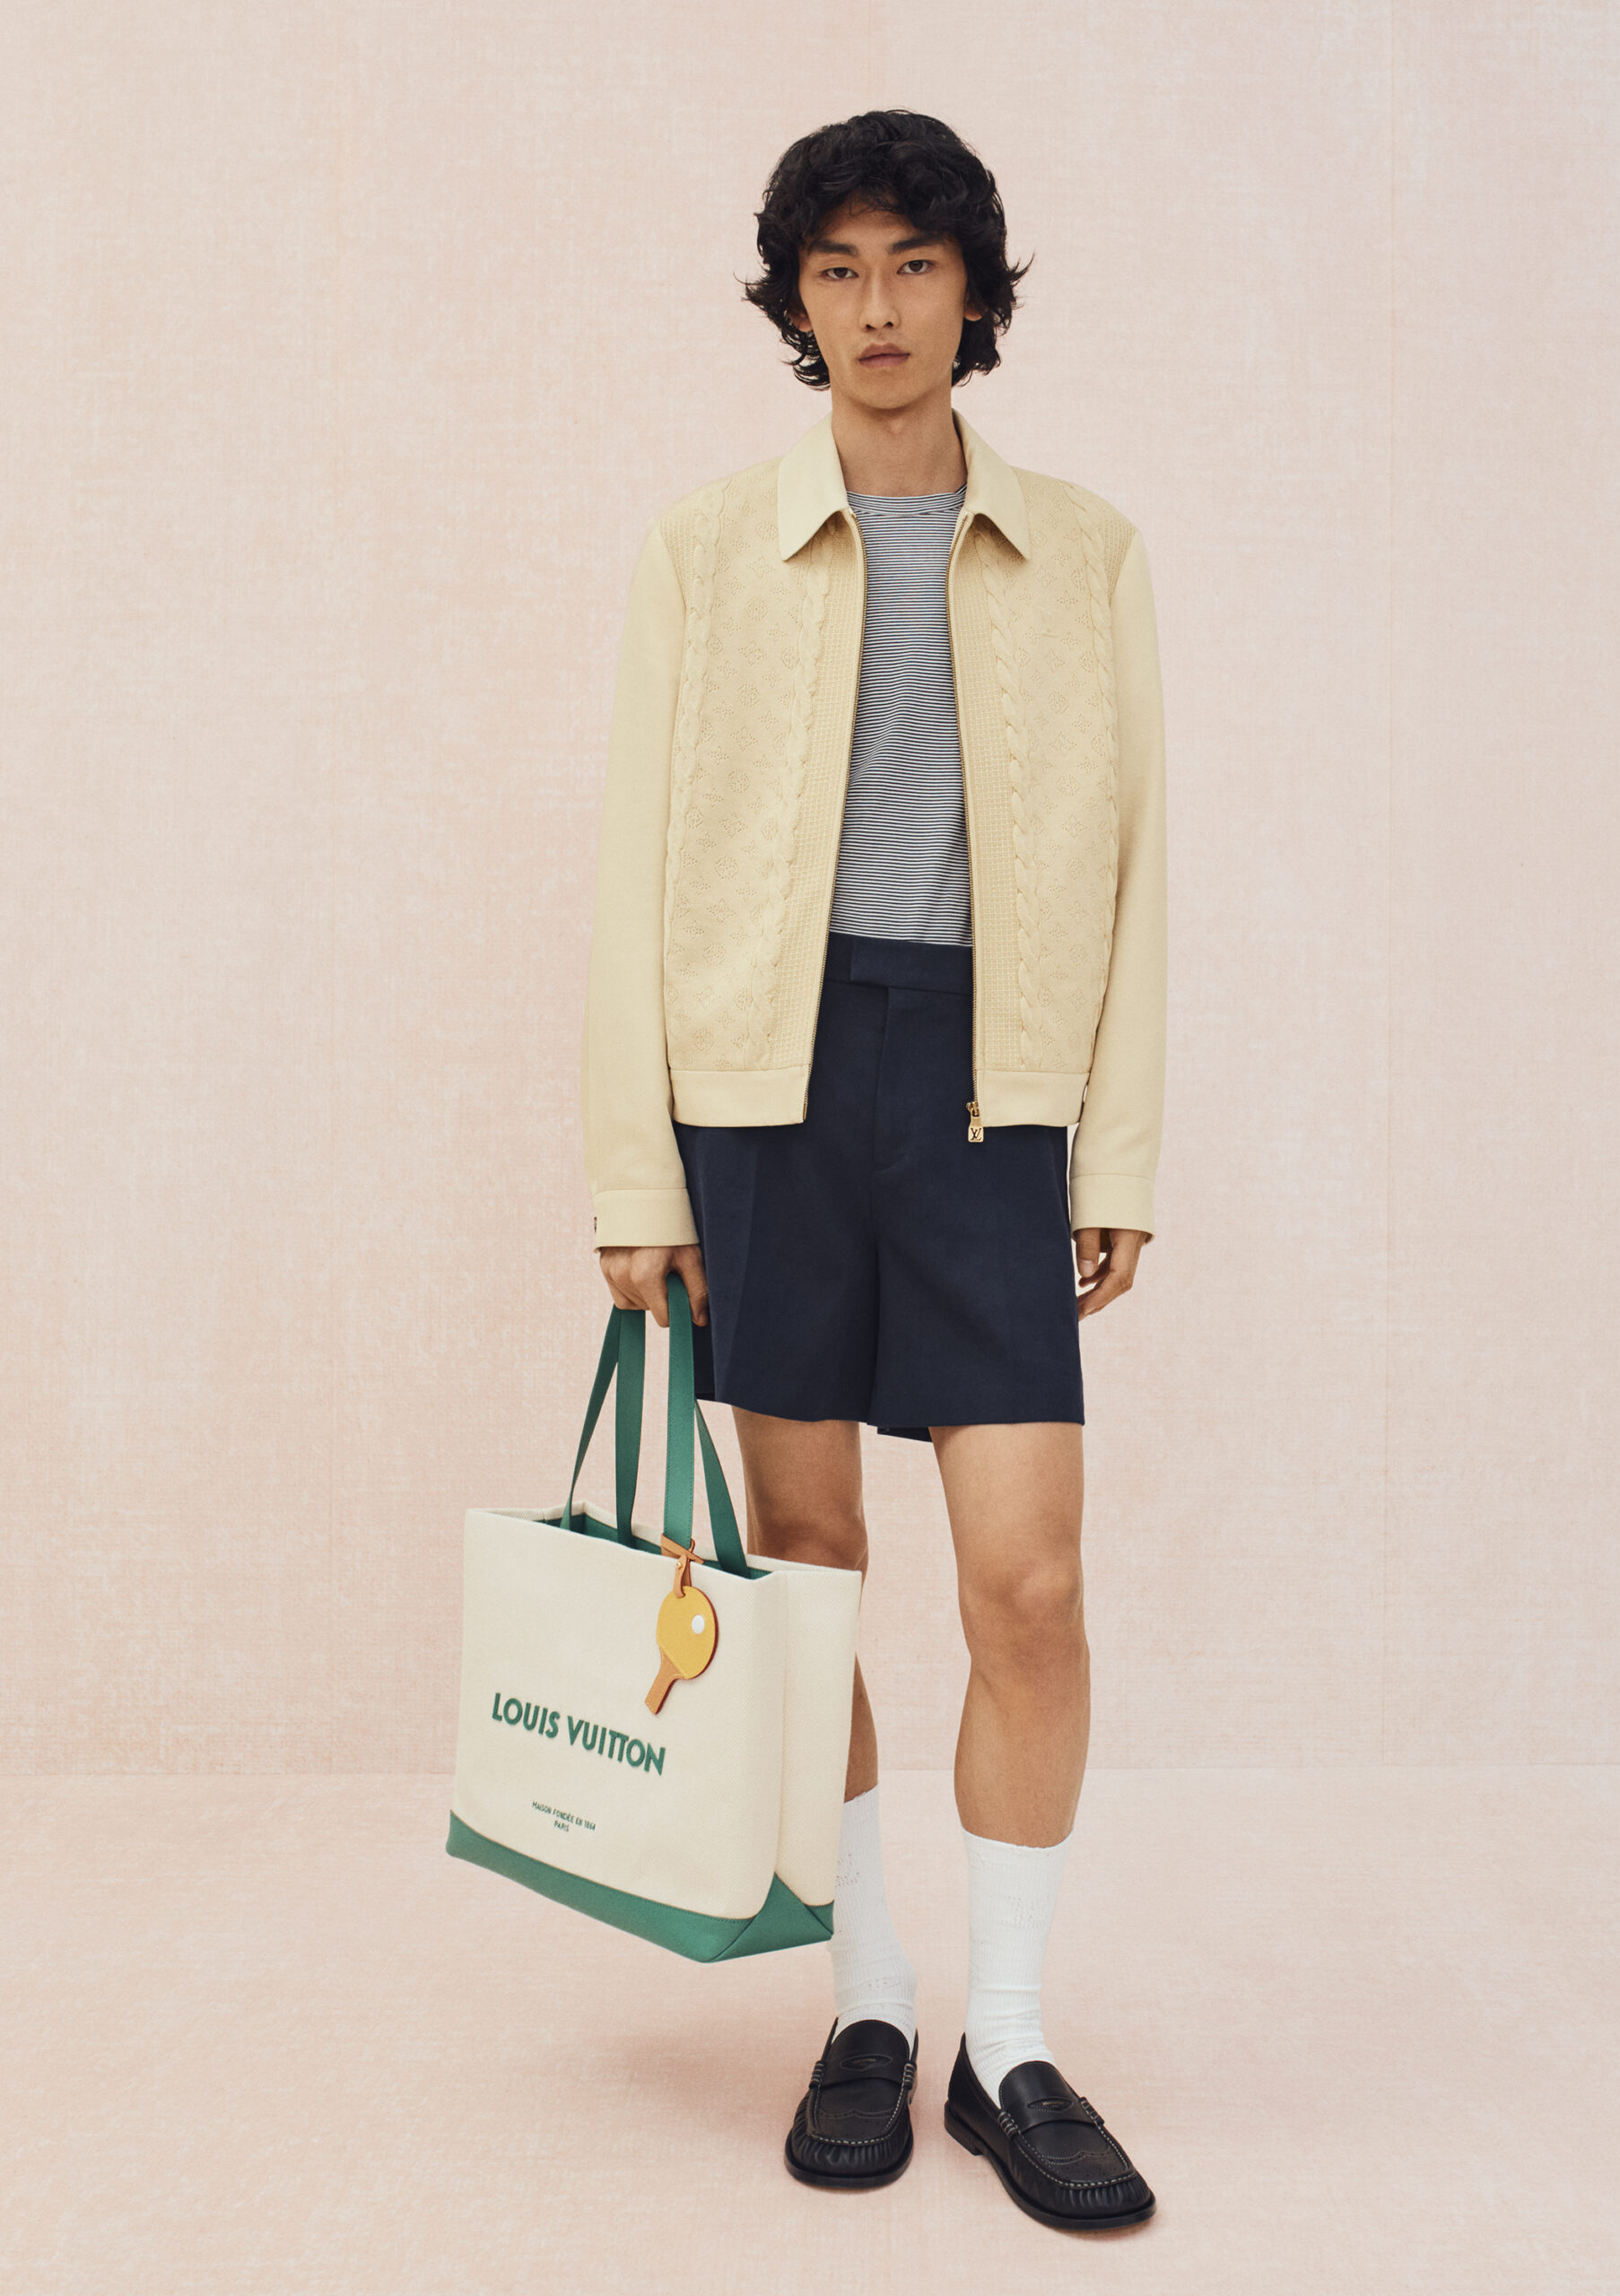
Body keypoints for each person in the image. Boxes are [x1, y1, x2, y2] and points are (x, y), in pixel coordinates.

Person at [582, 109, 1165, 2233]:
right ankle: (867, 1995)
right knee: (805, 1562)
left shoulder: (1085, 551)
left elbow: (1138, 860)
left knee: (1028, 1580)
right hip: (766, 1086)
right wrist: (635, 1172)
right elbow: (634, 865)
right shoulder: (705, 547)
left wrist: (1116, 1134)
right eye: (835, 269)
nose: (877, 304)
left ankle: (1005, 2040)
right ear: (795, 303)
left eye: (914, 263)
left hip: (992, 1093)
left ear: (973, 292)